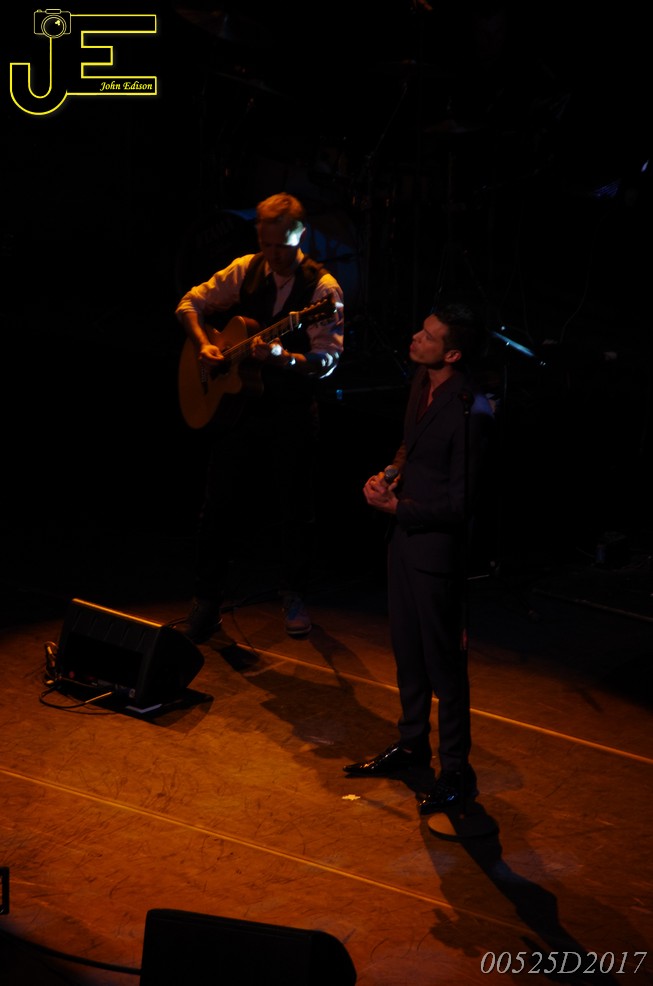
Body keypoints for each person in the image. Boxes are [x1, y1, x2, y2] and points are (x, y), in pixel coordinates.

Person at [343, 301, 494, 815]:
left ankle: (455, 771)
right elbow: (411, 446)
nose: (416, 338)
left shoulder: (471, 411)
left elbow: (461, 504)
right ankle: (411, 745)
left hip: (436, 552)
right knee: (407, 651)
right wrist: (389, 474)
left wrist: (398, 507)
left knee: (443, 666)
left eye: (429, 336)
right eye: (421, 330)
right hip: (404, 541)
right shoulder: (422, 383)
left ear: (452, 354)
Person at [175, 193, 344, 642]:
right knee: (218, 506)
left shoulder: (323, 290)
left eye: (282, 247)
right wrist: (203, 345)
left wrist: (285, 358)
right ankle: (206, 600)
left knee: (295, 509)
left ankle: (294, 594)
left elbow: (327, 360)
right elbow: (188, 304)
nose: (274, 256)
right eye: (266, 245)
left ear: (300, 236)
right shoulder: (246, 267)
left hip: (290, 408)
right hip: (241, 409)